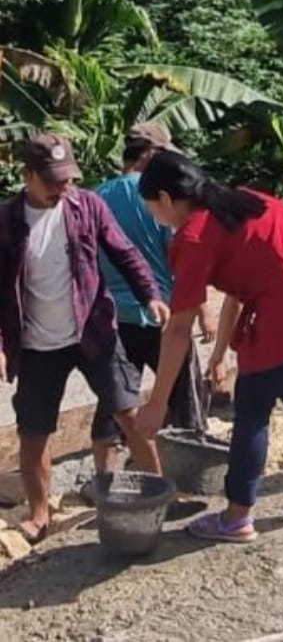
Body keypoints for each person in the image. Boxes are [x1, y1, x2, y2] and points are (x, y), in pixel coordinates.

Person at [133, 151, 283, 544]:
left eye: (151, 208)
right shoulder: (244, 200)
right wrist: (222, 352)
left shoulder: (194, 237)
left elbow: (178, 329)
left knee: (251, 409)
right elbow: (247, 285)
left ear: (165, 199)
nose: (154, 216)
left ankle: (236, 516)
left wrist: (157, 404)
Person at [0, 133, 169, 543]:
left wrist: (150, 294)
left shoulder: (87, 206)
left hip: (93, 330)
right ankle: (40, 515)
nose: (64, 188)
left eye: (68, 179)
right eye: (54, 181)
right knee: (34, 431)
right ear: (27, 176)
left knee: (129, 414)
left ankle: (161, 500)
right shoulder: (7, 222)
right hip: (38, 344)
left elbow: (125, 252)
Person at [90, 124, 216, 477]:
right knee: (183, 397)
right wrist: (203, 312)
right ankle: (186, 473)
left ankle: (104, 477)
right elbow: (181, 259)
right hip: (162, 315)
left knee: (115, 397)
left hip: (113, 318)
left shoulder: (95, 197)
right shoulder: (160, 197)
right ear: (148, 154)